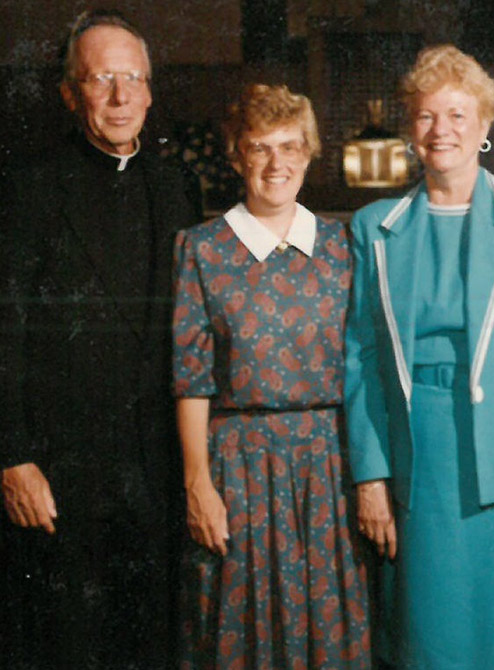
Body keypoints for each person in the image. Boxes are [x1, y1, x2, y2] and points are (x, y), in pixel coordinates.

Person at [344, 44, 494, 670]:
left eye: (457, 114)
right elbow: (361, 357)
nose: (440, 130)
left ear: (485, 127)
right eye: (424, 116)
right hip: (420, 456)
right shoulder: (375, 226)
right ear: (409, 129)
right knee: (429, 635)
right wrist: (370, 474)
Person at [0, 10, 198, 668]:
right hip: (64, 471)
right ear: (70, 92)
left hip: (158, 470)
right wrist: (13, 457)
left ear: (151, 91)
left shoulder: (177, 187)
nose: (119, 95)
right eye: (101, 78)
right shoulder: (27, 189)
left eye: (132, 78)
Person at [172, 83, 371, 669]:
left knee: (329, 626)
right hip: (240, 468)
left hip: (329, 468)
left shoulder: (344, 245)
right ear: (236, 157)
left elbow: (365, 368)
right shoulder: (202, 249)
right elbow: (191, 378)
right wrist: (197, 485)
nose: (276, 163)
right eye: (259, 148)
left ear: (310, 153)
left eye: (290, 147)